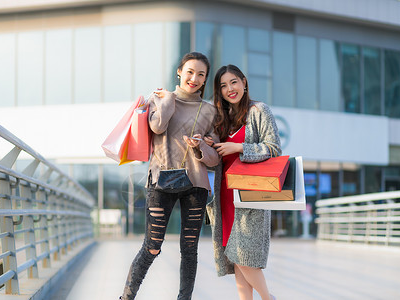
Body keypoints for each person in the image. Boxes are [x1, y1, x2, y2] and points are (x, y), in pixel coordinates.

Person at [120, 52, 220, 300]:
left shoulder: (210, 111)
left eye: (201, 74)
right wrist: (166, 102)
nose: (194, 78)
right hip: (161, 181)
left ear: (205, 79)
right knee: (152, 246)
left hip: (195, 185)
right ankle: (126, 297)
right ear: (179, 72)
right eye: (190, 72)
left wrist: (200, 147)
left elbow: (215, 159)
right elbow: (157, 127)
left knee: (189, 250)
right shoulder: (161, 98)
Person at [205, 65, 281, 300]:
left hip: (250, 195)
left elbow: (274, 149)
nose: (230, 89)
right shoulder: (221, 119)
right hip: (226, 197)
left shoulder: (259, 111)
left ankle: (268, 298)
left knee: (245, 256)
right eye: (223, 86)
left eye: (234, 82)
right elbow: (214, 163)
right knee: (236, 257)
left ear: (244, 82)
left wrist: (239, 147)